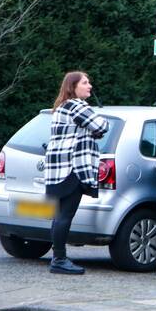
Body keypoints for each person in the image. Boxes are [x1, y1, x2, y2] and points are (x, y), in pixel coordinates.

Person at [44, 71, 109, 275]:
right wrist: (95, 127)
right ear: (73, 87)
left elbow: (90, 130)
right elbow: (101, 125)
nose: (90, 86)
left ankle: (58, 257)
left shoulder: (62, 107)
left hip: (58, 169)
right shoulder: (77, 105)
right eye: (85, 82)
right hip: (73, 168)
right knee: (65, 215)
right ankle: (59, 260)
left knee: (59, 215)